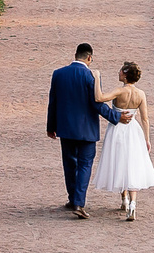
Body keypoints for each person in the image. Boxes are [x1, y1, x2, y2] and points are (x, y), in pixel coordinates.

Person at [46, 42, 122, 219]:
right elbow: (97, 103)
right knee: (85, 165)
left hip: (65, 128)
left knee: (69, 165)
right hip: (86, 129)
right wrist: (116, 117)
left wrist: (51, 127)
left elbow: (53, 102)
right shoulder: (91, 76)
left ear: (75, 55)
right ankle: (79, 202)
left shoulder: (58, 74)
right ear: (89, 57)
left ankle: (73, 199)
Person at [89, 60, 154, 219]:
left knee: (120, 162)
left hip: (117, 130)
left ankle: (124, 199)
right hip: (134, 131)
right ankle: (133, 203)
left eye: (121, 71)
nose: (119, 73)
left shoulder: (119, 91)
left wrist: (96, 78)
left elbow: (99, 97)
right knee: (132, 165)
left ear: (126, 75)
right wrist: (147, 139)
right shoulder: (140, 94)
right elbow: (145, 119)